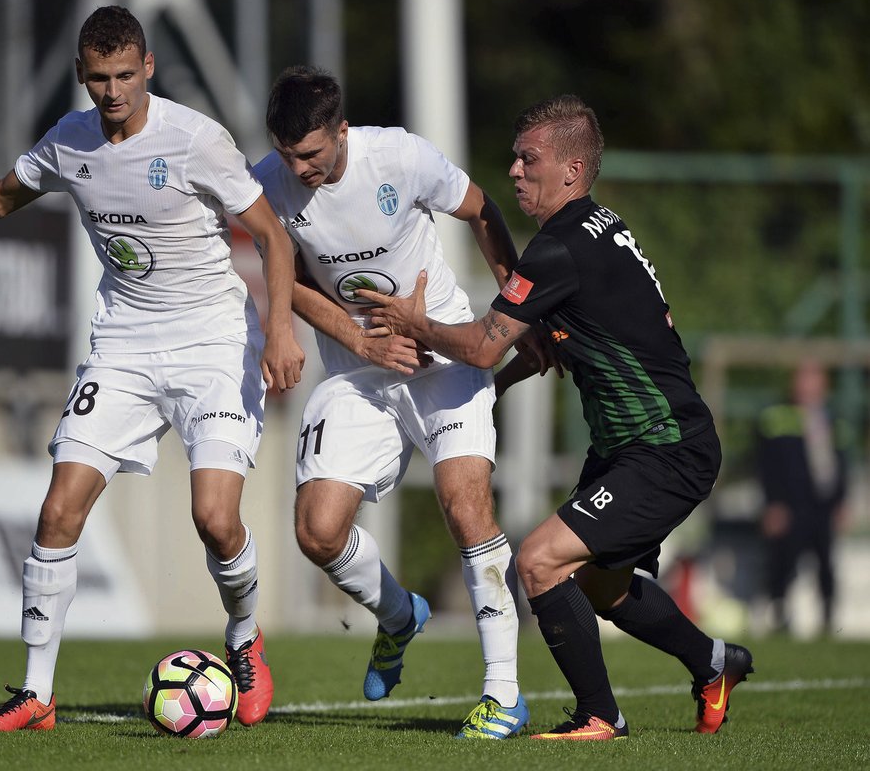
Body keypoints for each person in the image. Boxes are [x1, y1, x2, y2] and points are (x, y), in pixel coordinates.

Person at [0, 5, 304, 731]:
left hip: (214, 342)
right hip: (123, 343)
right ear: (82, 76)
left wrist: (278, 330)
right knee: (59, 510)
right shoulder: (69, 141)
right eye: (100, 78)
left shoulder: (194, 140)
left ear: (148, 67)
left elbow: (273, 238)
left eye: (126, 75)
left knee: (215, 518)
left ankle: (244, 638)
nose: (114, 91)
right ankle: (36, 693)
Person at [359, 94, 753, 739]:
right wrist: (506, 380)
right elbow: (561, 345)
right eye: (514, 158)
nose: (514, 171)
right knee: (602, 586)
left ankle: (601, 714)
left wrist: (413, 322)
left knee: (539, 561)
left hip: (663, 447)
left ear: (572, 169)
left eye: (527, 159)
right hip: (638, 444)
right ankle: (714, 663)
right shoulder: (600, 229)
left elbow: (487, 342)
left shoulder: (559, 248)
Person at [251, 66, 529, 739]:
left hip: (440, 361)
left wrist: (521, 311)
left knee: (466, 505)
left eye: (312, 154)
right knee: (316, 530)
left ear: (341, 132)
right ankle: (400, 615)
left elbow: (483, 210)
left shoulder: (400, 156)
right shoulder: (268, 180)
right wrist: (357, 339)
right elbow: (284, 275)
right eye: (289, 155)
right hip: (361, 373)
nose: (300, 167)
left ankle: (504, 695)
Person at [755, 359, 848, 636]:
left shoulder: (833, 420)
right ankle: (779, 614)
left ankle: (829, 618)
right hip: (790, 505)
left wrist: (842, 500)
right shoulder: (776, 417)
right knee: (784, 561)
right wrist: (773, 503)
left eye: (813, 379)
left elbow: (841, 464)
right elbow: (765, 466)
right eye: (803, 378)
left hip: (823, 505)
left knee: (826, 563)